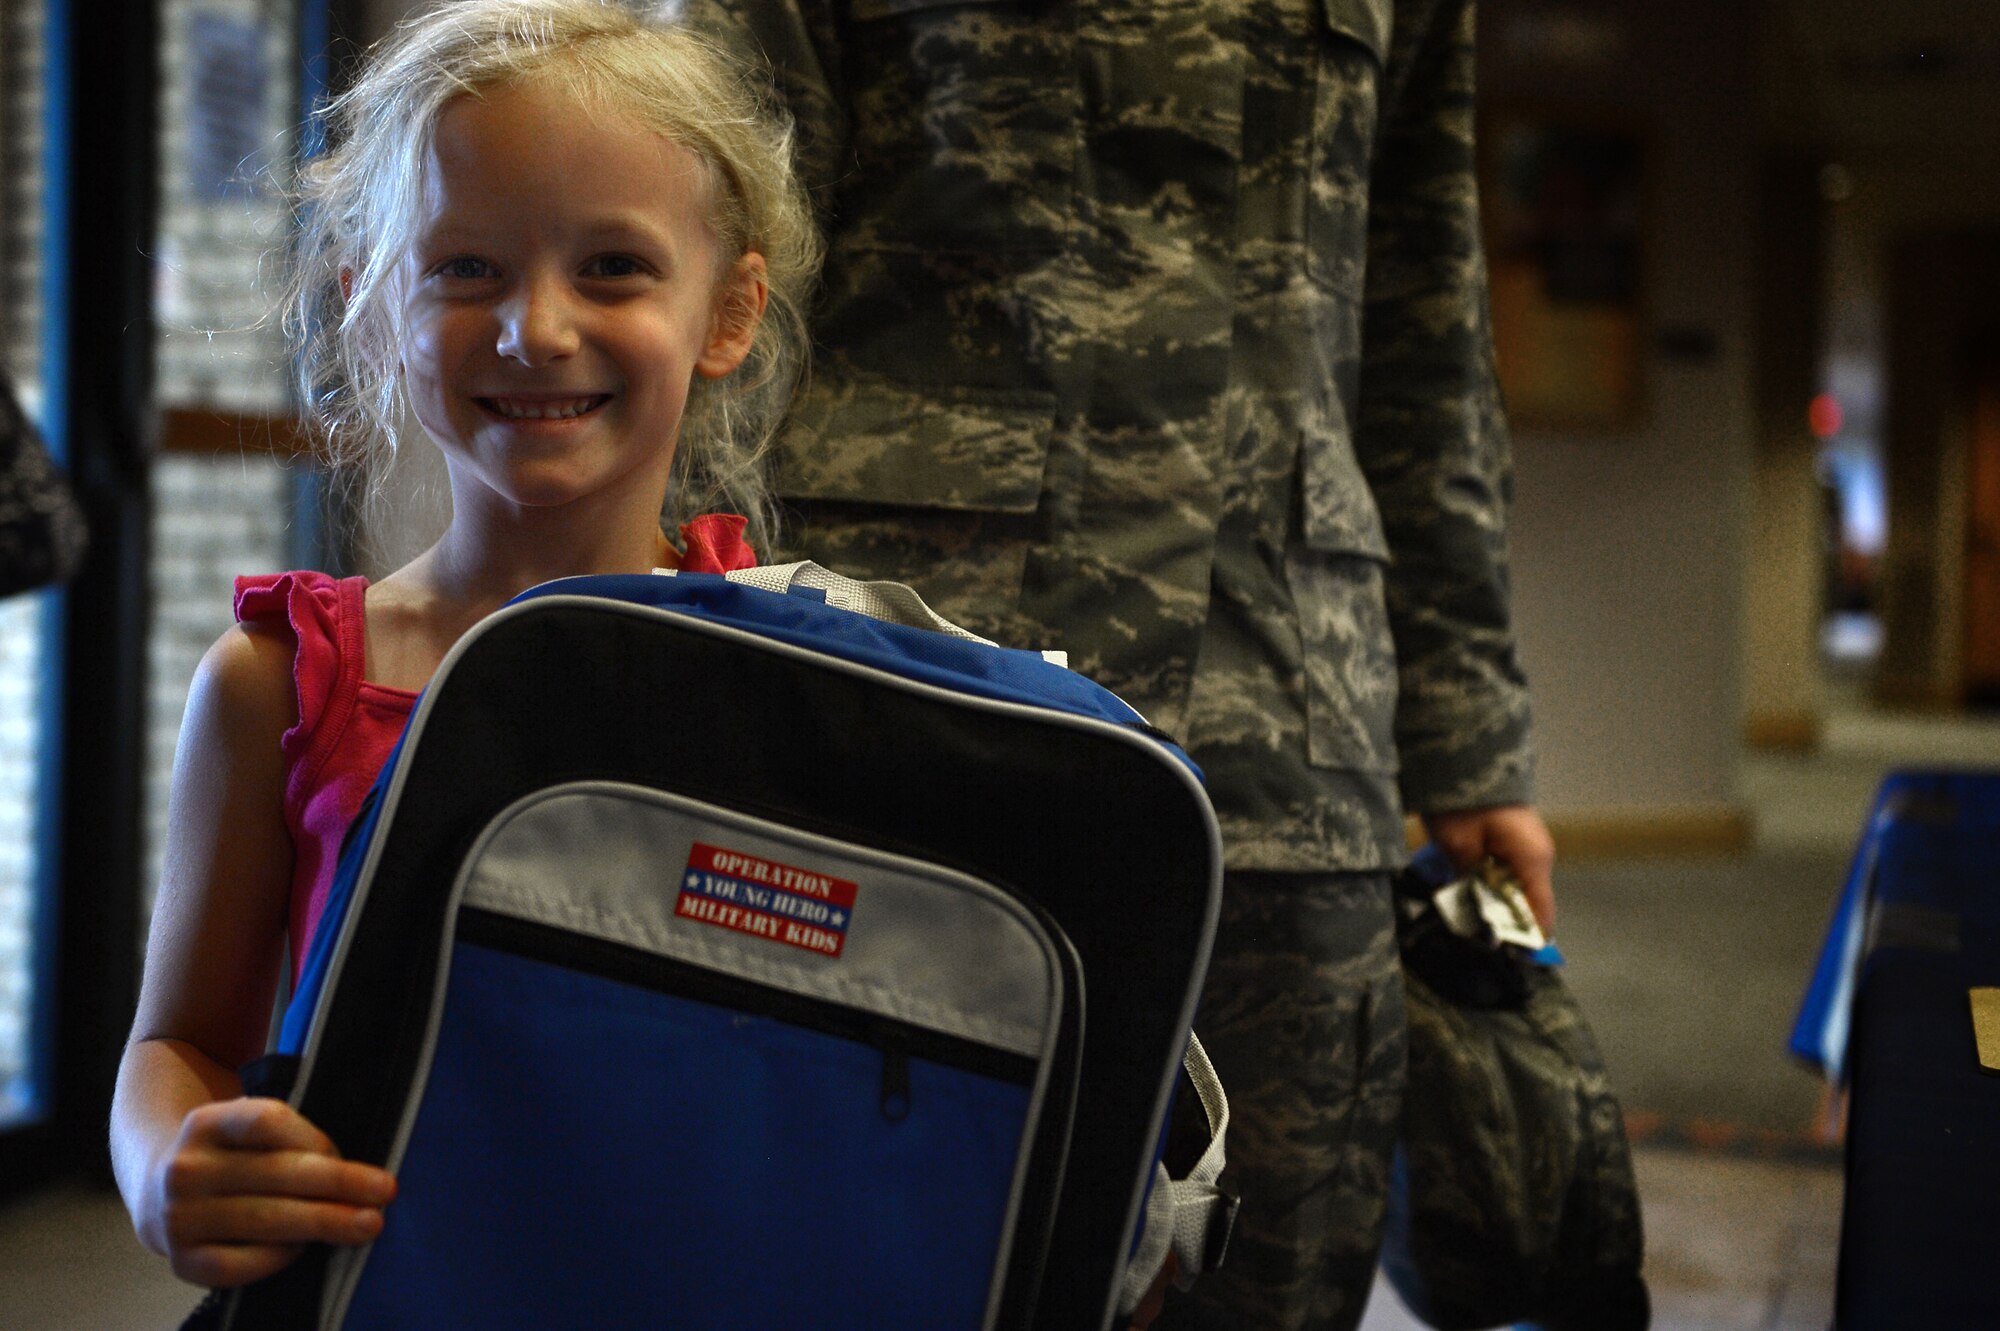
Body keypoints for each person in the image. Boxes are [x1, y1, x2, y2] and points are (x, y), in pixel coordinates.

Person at [675, 1, 1556, 1327]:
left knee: (1269, 1276)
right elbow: (709, 252)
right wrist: (684, 660)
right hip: (918, 697)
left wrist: (1467, 729)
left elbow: (1424, 314)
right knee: (867, 1254)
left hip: (1291, 719)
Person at [109, 0, 817, 1288]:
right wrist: (169, 1166)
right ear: (371, 309)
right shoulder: (279, 682)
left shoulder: (793, 670)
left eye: (613, 267)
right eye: (464, 269)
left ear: (730, 311)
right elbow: (178, 1046)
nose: (534, 329)